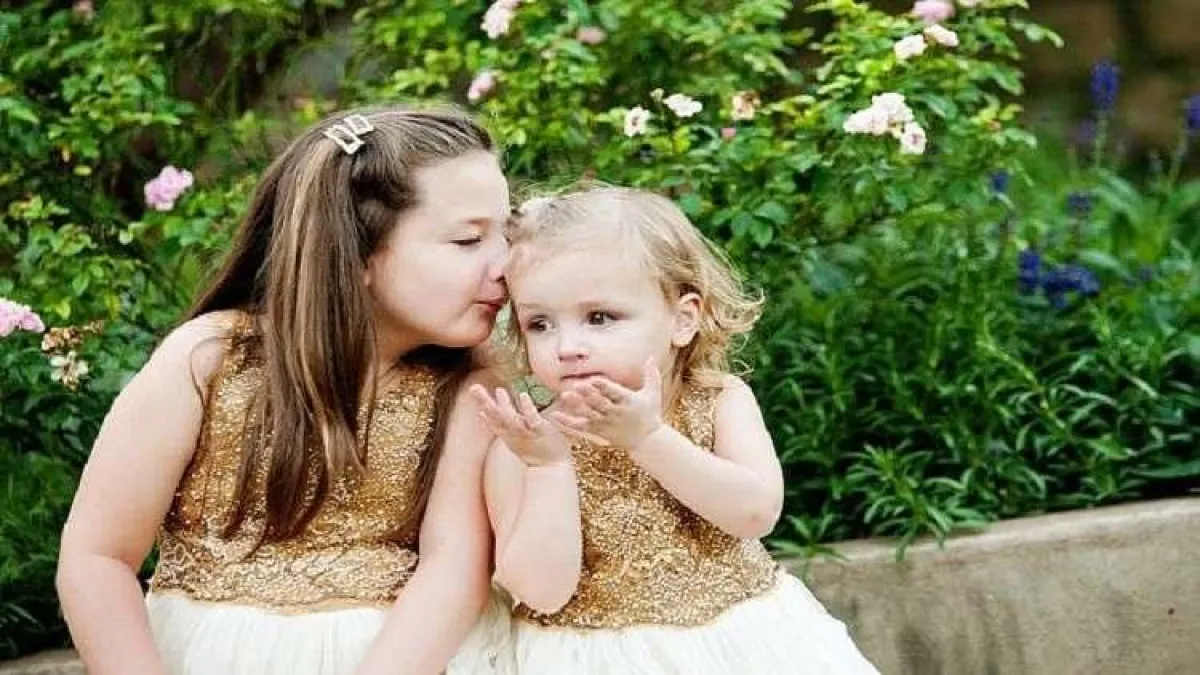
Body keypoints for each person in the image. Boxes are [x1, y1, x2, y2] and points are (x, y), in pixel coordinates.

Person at [57, 105, 512, 675]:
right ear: (357, 252)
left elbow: (455, 570)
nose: (506, 264)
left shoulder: (470, 391)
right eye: (469, 240)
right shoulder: (209, 359)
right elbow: (98, 554)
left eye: (509, 233)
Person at [471, 186, 881, 674]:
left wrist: (648, 439)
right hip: (595, 658)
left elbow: (755, 513)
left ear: (683, 320)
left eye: (599, 318)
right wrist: (548, 467)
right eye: (540, 324)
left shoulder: (719, 400)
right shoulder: (525, 445)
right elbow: (541, 591)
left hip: (741, 643)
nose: (567, 346)